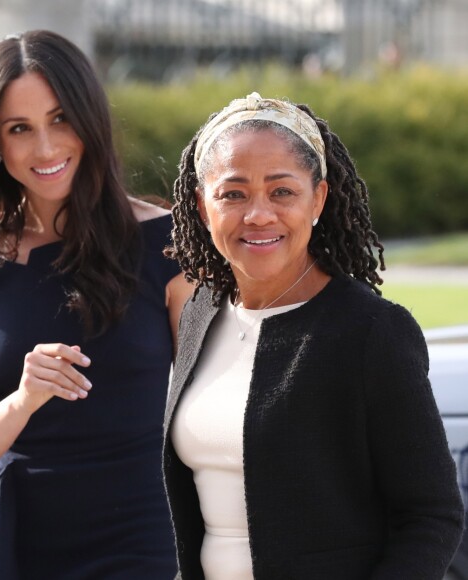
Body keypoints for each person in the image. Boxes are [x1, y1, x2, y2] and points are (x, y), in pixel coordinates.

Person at [0, 29, 192, 579]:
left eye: (61, 118)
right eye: (20, 129)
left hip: (143, 536)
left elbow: (216, 407)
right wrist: (23, 401)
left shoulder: (168, 243)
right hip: (23, 541)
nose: (46, 148)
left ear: (90, 120)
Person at [162, 92, 464, 579]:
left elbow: (432, 516)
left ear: (318, 198)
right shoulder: (200, 312)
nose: (258, 214)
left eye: (282, 191)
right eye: (233, 194)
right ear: (203, 206)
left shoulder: (369, 332)